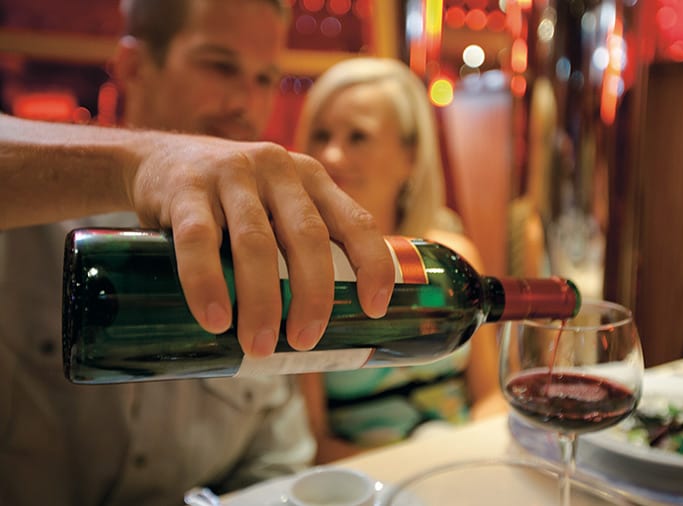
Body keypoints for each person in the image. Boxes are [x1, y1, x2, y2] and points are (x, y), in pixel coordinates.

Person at [0, 2, 394, 505]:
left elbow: (277, 461)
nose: (245, 103)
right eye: (220, 66)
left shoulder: (262, 252)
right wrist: (141, 162)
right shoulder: (27, 216)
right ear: (135, 67)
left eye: (264, 78)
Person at [294, 57, 508, 464]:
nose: (331, 155)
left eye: (358, 137)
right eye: (321, 135)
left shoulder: (454, 260)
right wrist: (410, 476)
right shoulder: (301, 270)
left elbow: (490, 397)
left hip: (461, 466)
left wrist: (474, 463)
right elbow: (313, 443)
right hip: (363, 482)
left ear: (410, 156)